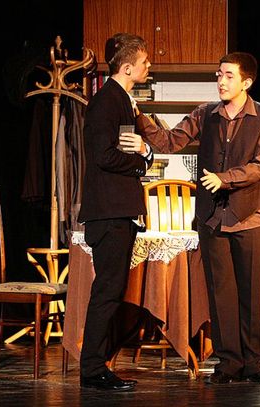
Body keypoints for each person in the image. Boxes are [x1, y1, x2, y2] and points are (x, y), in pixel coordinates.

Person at [138, 52, 260, 384]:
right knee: (221, 294)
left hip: (249, 217)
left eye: (229, 76)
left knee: (250, 295)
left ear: (247, 82)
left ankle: (253, 364)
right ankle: (229, 363)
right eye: (219, 74)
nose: (221, 81)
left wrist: (224, 178)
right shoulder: (205, 114)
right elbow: (170, 141)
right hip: (213, 218)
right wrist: (138, 118)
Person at [78, 32, 154, 391]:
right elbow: (105, 156)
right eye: (144, 62)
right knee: (107, 291)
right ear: (127, 67)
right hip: (108, 213)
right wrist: (142, 162)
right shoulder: (107, 102)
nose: (148, 66)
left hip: (117, 211)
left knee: (111, 291)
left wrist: (143, 152)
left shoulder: (122, 101)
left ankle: (97, 365)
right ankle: (93, 369)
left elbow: (123, 149)